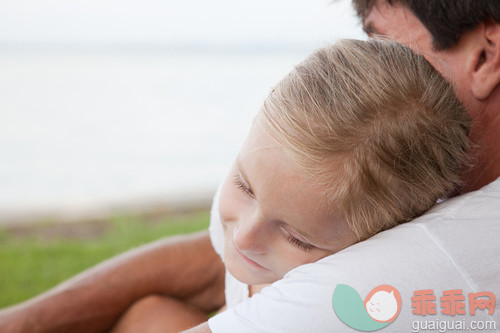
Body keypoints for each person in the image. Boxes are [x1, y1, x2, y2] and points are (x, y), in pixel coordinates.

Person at [1, 0, 500, 330]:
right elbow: (211, 255)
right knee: (153, 313)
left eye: (384, 42)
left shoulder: (406, 267)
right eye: (244, 183)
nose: (374, 72)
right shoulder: (376, 175)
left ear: (487, 56)